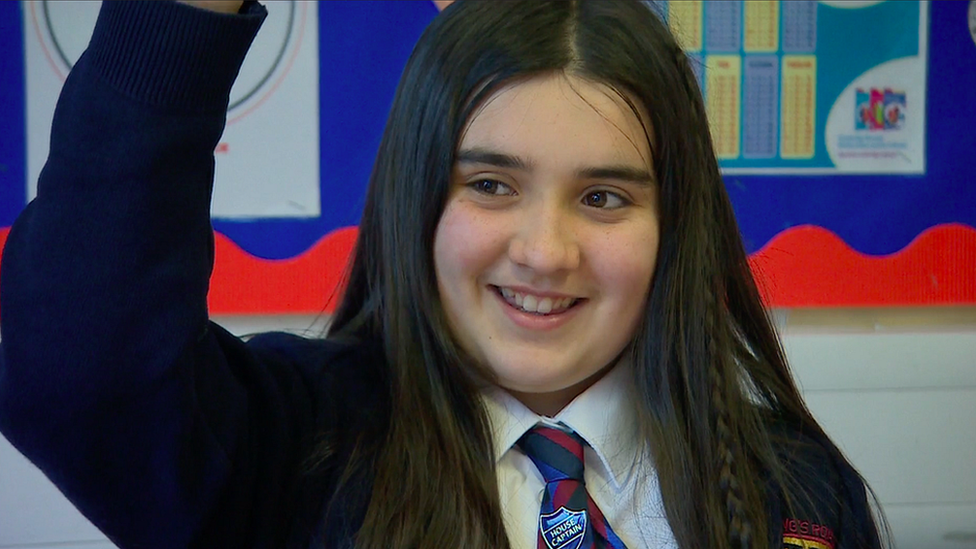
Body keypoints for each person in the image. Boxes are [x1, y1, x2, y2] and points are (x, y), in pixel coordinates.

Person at [0, 1, 886, 548]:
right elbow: (81, 362)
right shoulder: (286, 450)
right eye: (491, 184)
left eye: (606, 198)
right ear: (414, 199)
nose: (545, 250)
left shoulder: (797, 492)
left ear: (674, 224)